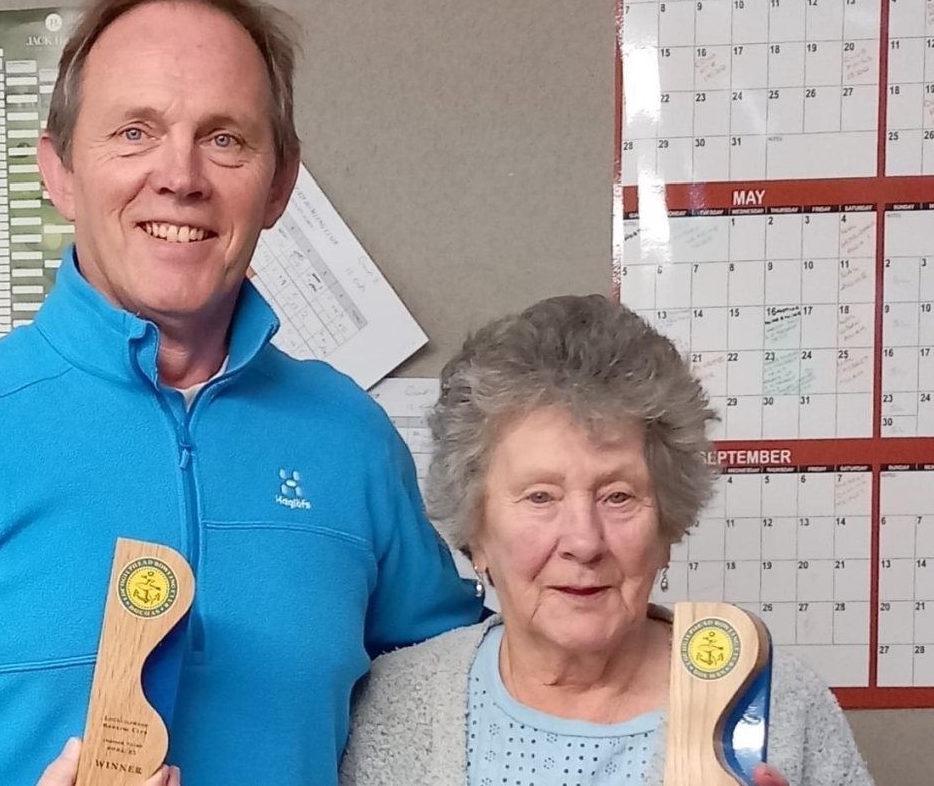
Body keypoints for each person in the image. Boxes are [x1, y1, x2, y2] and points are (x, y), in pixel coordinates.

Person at [0, 0, 483, 784]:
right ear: (59, 174)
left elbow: (457, 695)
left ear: (278, 185)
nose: (180, 176)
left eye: (225, 139)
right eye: (135, 132)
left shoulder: (349, 438)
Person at [338, 295, 875, 786]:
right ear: (476, 532)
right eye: (540, 497)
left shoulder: (777, 702)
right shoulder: (392, 705)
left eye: (618, 496)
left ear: (668, 522)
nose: (584, 542)